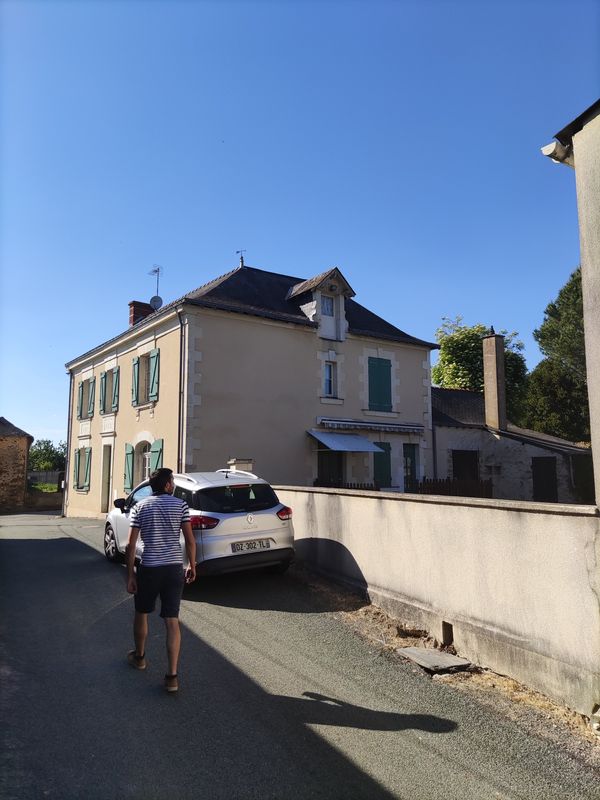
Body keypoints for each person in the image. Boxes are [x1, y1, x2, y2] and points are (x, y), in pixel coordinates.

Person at [125, 467, 196, 693]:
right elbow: (190, 540)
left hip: (150, 568)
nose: (173, 484)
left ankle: (140, 657)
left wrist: (130, 574)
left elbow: (131, 544)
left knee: (142, 612)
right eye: (172, 481)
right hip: (174, 568)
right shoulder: (181, 505)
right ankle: (172, 677)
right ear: (167, 485)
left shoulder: (140, 506)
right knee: (172, 620)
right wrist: (192, 565)